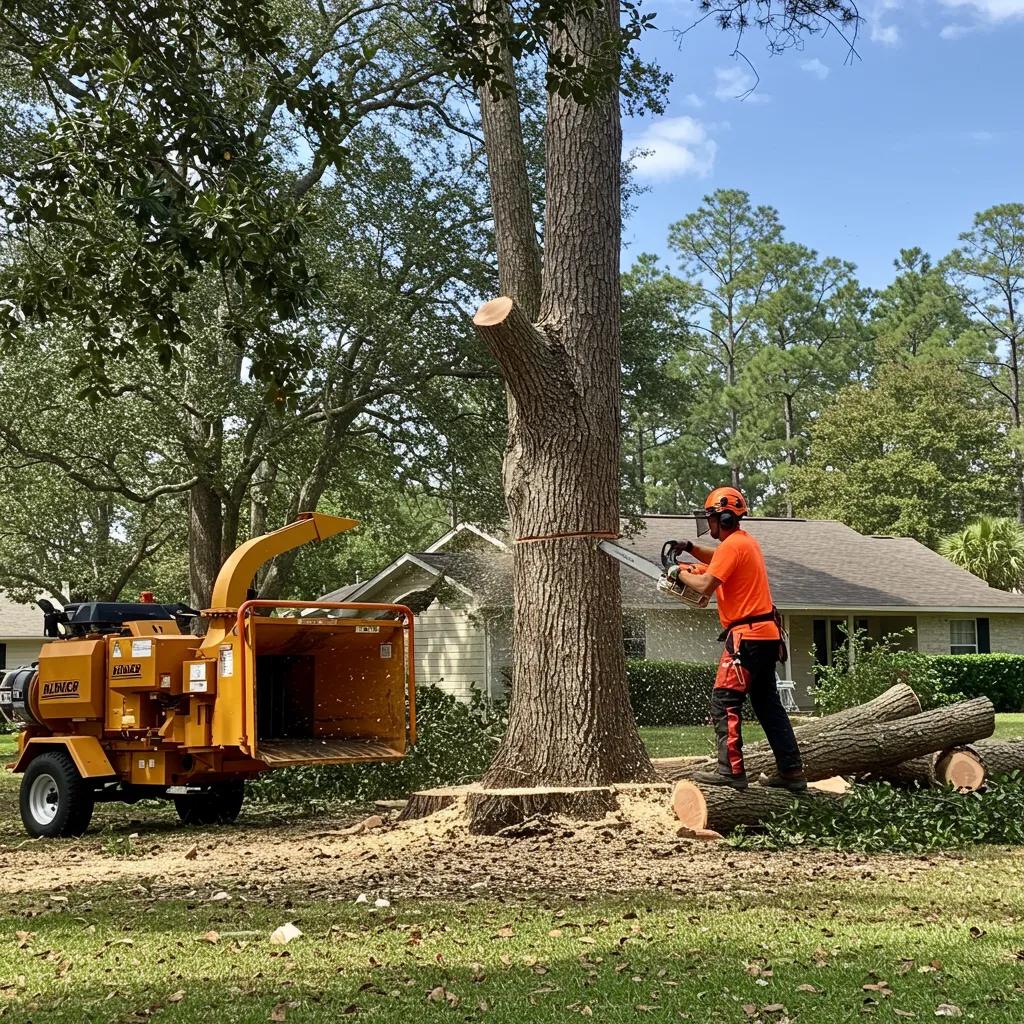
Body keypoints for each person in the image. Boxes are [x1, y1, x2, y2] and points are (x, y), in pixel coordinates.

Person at [667, 486, 806, 792]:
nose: (710, 525)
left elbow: (704, 584)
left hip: (747, 637)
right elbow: (715, 559)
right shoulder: (744, 544)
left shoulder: (733, 546)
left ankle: (730, 771)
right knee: (768, 705)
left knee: (724, 702)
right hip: (766, 634)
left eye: (712, 519)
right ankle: (792, 771)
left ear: (726, 518)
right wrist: (689, 547)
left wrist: (677, 571)